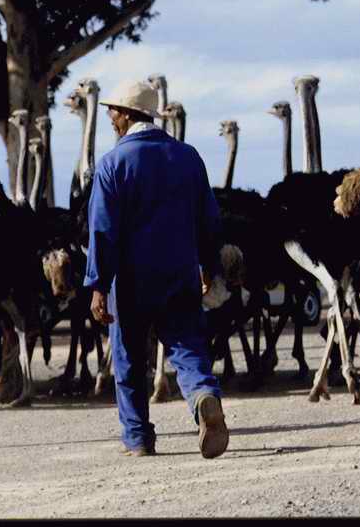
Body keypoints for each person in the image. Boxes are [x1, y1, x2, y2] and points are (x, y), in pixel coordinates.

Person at [84, 79, 229, 459]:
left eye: (113, 112)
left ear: (126, 114)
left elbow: (102, 230)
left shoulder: (113, 163)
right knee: (187, 345)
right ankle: (203, 394)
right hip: (181, 271)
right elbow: (209, 219)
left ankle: (138, 438)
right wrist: (209, 265)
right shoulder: (188, 157)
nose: (111, 118)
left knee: (129, 357)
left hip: (130, 279)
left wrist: (98, 284)